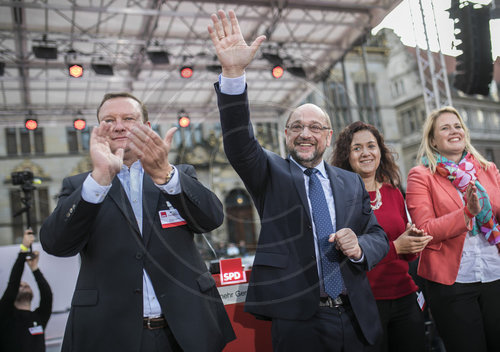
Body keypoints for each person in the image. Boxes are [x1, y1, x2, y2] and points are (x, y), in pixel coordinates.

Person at [208, 10, 389, 352]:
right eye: (296, 127)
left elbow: (379, 235)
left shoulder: (350, 183)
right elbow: (240, 144)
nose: (305, 134)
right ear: (286, 134)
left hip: (357, 317)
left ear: (329, 137)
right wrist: (233, 74)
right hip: (299, 323)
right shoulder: (271, 173)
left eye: (315, 127)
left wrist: (360, 246)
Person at [40, 92, 235, 352]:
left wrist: (166, 176)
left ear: (147, 128)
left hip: (186, 330)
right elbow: (56, 244)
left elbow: (212, 219)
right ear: (98, 130)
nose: (118, 125)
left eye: (128, 118)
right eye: (109, 120)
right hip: (111, 334)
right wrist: (98, 181)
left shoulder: (179, 175)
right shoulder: (81, 187)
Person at [330, 121, 432, 352]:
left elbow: (406, 257)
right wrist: (397, 246)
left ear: (380, 151)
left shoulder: (393, 192)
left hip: (405, 297)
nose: (366, 153)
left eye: (371, 146)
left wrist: (413, 243)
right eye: (357, 148)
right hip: (366, 304)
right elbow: (345, 258)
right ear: (347, 155)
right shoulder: (339, 200)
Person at [406, 106, 500, 352]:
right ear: (433, 140)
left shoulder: (487, 169)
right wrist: (467, 213)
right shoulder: (421, 176)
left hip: (495, 273)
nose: (454, 131)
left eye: (457, 126)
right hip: (453, 283)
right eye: (445, 128)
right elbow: (425, 228)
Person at [0, 229, 53, 352]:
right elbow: (13, 284)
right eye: (20, 285)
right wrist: (24, 249)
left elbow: (47, 296)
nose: (23, 285)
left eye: (26, 285)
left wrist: (34, 269)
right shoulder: (5, 315)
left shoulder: (39, 317)